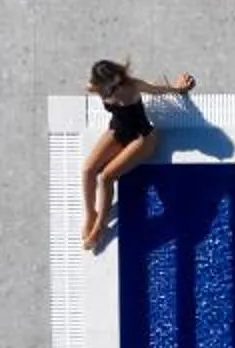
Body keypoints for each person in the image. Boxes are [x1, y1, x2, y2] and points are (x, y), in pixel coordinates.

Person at [79, 60, 196, 250]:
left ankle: (99, 227)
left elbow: (158, 90)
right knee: (87, 170)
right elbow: (89, 86)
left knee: (106, 177)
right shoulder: (98, 88)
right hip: (118, 131)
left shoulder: (132, 85)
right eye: (112, 84)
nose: (117, 86)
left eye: (117, 81)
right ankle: (91, 214)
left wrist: (179, 88)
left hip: (142, 138)